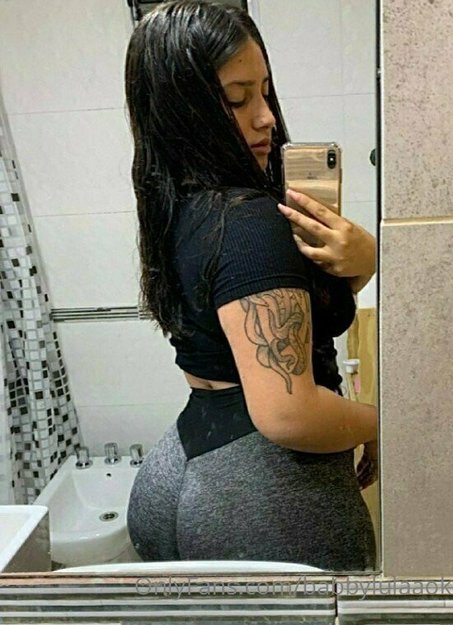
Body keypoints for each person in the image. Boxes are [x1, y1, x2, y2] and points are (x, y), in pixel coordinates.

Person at [124, 0, 378, 571]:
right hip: (261, 494)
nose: (266, 118)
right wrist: (382, 422)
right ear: (183, 111)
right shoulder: (248, 221)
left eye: (264, 92)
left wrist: (362, 260)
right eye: (237, 99)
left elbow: (278, 322)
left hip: (190, 463)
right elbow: (289, 415)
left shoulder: (179, 205)